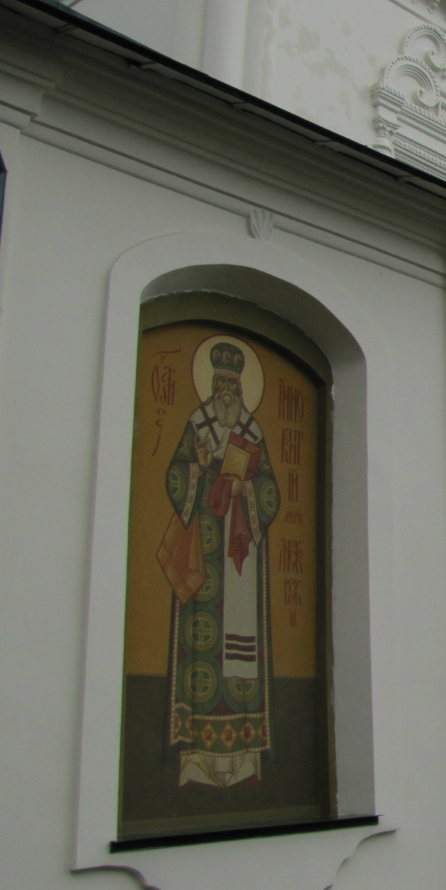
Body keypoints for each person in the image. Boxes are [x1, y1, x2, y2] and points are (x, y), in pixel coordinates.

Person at [157, 338, 280, 789]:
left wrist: (247, 490)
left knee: (243, 658)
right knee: (200, 652)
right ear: (211, 385)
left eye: (233, 386)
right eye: (221, 384)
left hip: (240, 555)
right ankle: (194, 760)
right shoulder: (198, 425)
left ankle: (245, 759)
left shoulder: (252, 430)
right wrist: (200, 467)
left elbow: (270, 490)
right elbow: (176, 475)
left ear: (241, 389)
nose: (227, 393)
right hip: (206, 552)